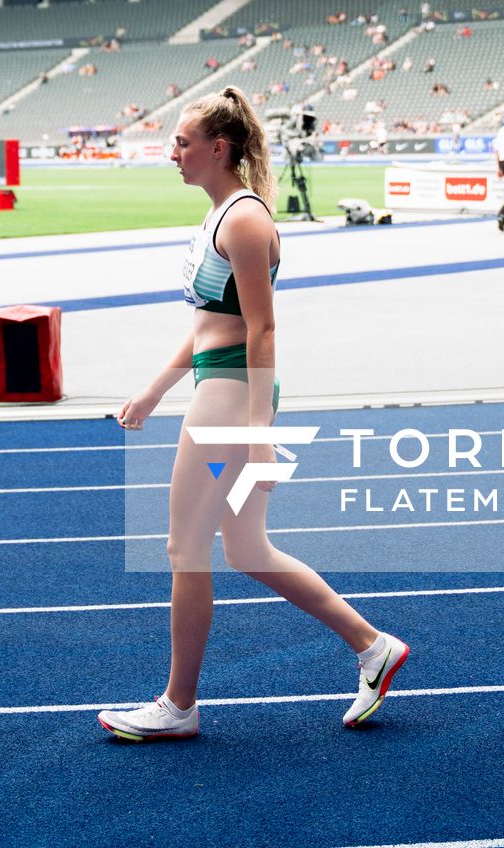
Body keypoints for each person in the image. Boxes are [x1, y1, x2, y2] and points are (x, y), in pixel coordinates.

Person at [101, 87, 407, 742]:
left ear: (219, 148)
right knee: (244, 547)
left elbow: (263, 329)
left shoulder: (242, 221)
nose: (172, 154)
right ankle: (372, 646)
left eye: (182, 143)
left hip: (233, 397)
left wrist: (261, 438)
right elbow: (212, 321)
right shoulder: (223, 215)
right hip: (224, 386)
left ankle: (177, 705)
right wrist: (156, 389)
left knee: (186, 549)